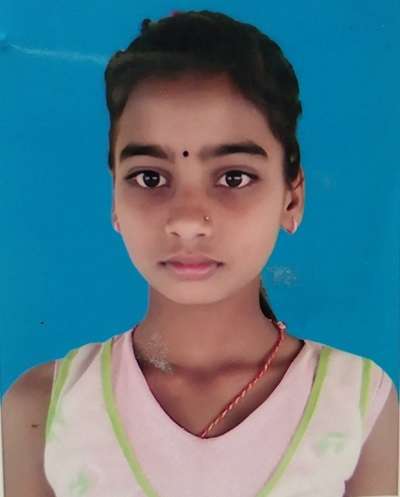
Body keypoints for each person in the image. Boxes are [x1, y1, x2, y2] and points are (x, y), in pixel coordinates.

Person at [1, 9, 398, 497]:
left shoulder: (356, 401)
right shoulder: (45, 406)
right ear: (115, 200)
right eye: (150, 177)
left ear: (292, 197)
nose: (187, 219)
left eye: (233, 177)